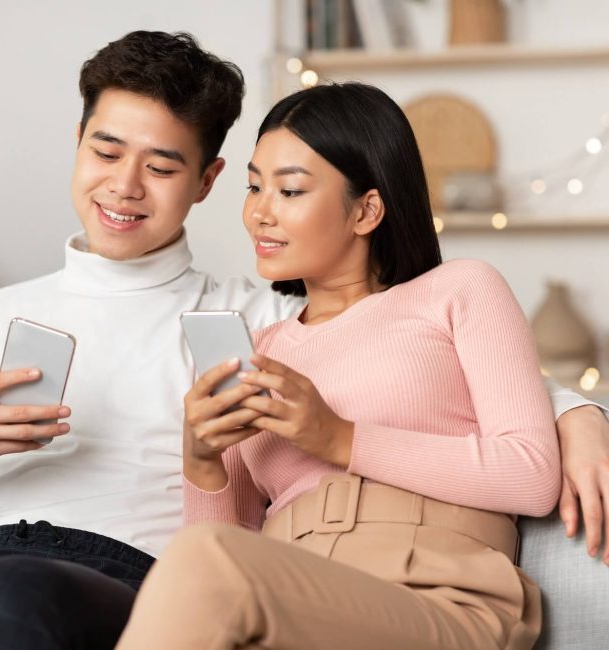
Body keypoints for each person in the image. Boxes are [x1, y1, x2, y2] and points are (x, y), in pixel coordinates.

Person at [0, 29, 605, 650]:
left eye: (160, 165)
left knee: (19, 594)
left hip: (127, 580)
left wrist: (577, 409)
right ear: (78, 142)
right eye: (105, 150)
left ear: (203, 181)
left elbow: (434, 373)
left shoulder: (248, 322)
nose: (124, 185)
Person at [113, 82, 594, 650]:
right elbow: (224, 554)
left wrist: (338, 438)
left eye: (289, 190)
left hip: (437, 599)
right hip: (293, 607)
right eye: (253, 186)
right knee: (203, 563)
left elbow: (531, 474)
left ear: (366, 210)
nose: (259, 213)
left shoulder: (461, 290)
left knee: (205, 560)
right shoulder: (260, 348)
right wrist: (203, 460)